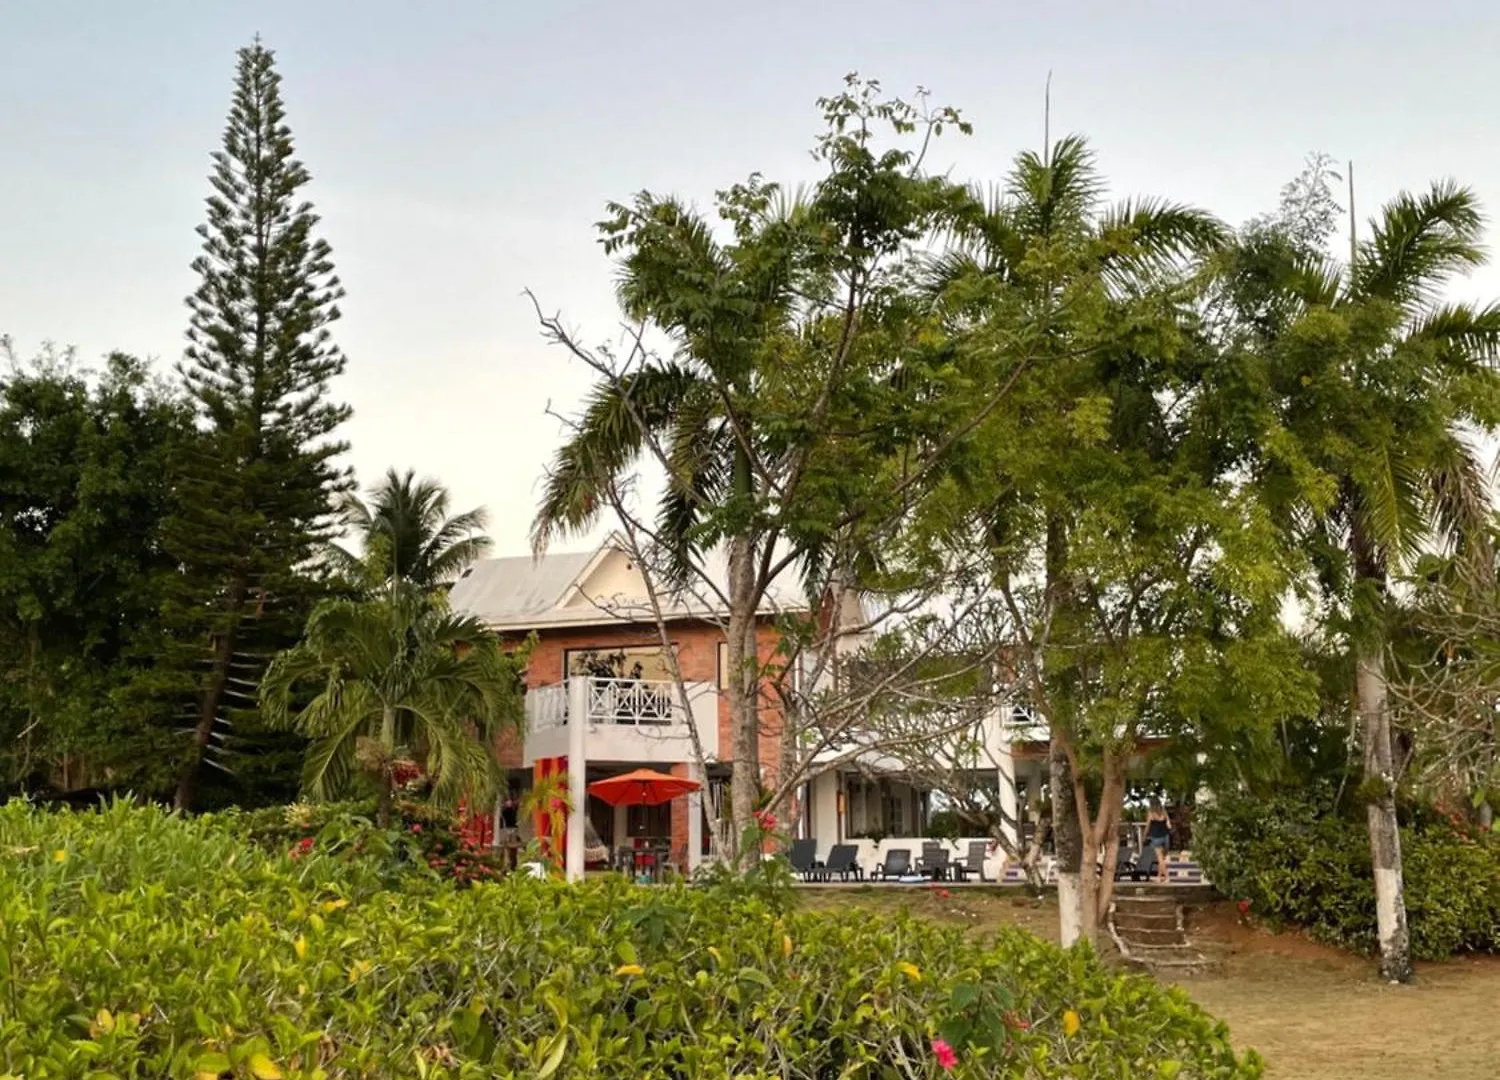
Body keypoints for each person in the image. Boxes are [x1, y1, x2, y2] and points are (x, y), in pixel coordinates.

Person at [1145, 798, 1171, 884]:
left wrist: (1144, 835)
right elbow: (1168, 824)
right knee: (1162, 859)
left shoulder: (1151, 812)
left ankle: (1167, 877)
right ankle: (1159, 877)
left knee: (1160, 859)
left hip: (1156, 837)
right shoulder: (1164, 811)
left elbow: (1148, 826)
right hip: (1165, 837)